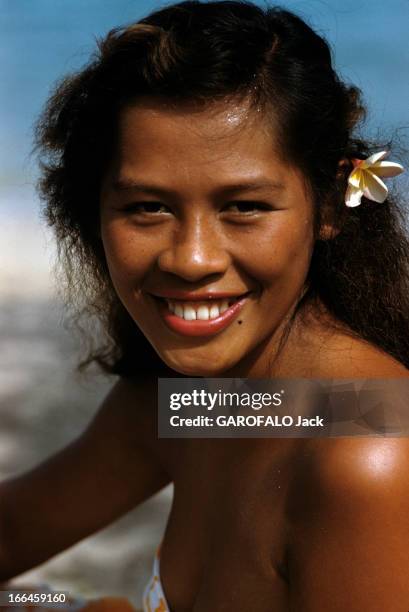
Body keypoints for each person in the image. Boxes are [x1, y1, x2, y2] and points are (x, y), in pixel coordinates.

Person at [1, 1, 409, 610]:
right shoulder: (212, 405)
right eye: (148, 207)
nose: (191, 260)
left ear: (327, 205)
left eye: (243, 207)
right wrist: (65, 607)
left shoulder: (367, 455)